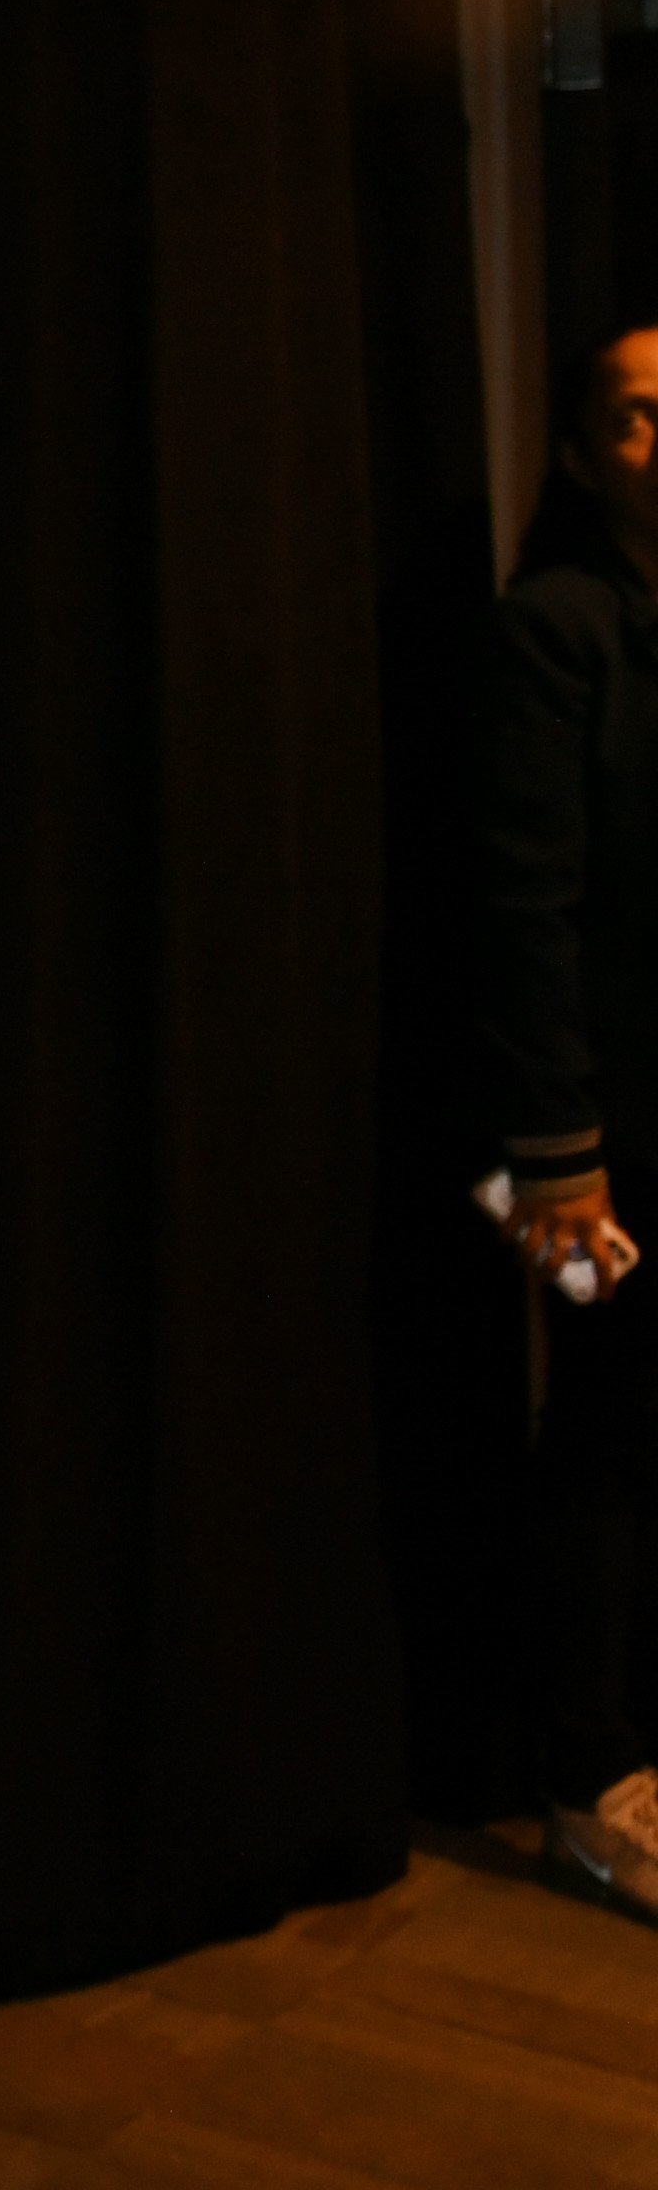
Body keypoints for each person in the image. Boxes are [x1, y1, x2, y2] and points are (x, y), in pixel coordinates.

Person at [472, 321, 658, 1914]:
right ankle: (587, 1788)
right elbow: (523, 908)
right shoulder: (555, 630)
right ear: (591, 455)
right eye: (637, 416)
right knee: (606, 1423)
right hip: (599, 1129)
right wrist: (559, 1155)